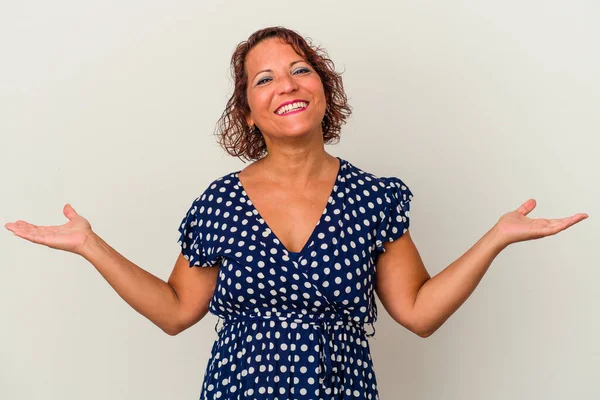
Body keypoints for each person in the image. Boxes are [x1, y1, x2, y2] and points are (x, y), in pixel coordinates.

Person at [5, 26, 589, 400]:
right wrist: (90, 245)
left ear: (323, 91)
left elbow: (417, 311)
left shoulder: (373, 198)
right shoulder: (220, 203)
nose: (286, 83)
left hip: (343, 391)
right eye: (265, 78)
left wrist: (496, 237)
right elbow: (178, 310)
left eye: (300, 69)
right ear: (250, 113)